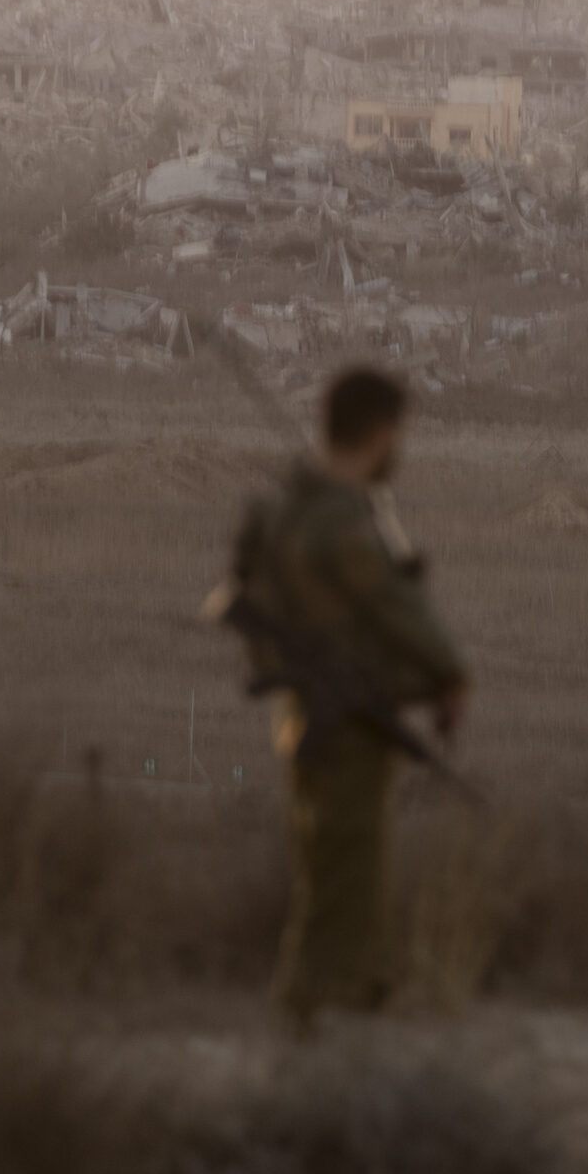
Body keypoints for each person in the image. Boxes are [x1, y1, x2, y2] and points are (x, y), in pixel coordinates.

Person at [227, 366, 469, 1030]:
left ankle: (326, 1012)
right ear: (380, 431)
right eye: (400, 432)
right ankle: (311, 1020)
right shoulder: (340, 522)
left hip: (301, 717)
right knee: (346, 886)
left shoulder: (287, 511)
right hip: (345, 727)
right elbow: (399, 612)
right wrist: (450, 674)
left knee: (322, 876)